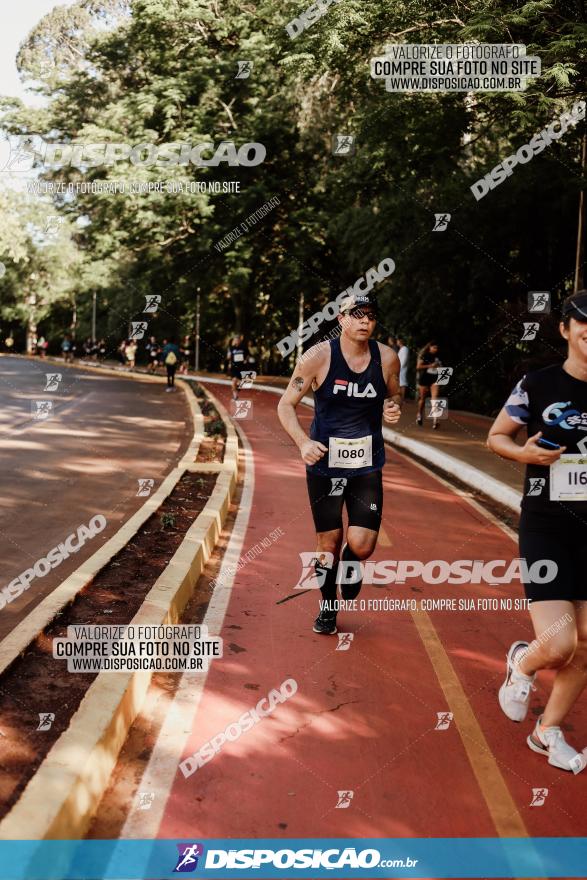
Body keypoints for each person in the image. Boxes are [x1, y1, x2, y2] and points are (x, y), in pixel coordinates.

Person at [487, 290, 587, 773]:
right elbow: (496, 437)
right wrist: (524, 455)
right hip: (548, 525)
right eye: (582, 322)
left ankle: (547, 731)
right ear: (565, 329)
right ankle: (523, 662)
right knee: (561, 642)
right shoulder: (538, 383)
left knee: (586, 646)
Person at [277, 292, 402, 635]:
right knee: (326, 543)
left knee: (362, 544)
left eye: (371, 315)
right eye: (357, 314)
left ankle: (353, 563)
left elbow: (395, 394)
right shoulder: (317, 357)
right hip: (324, 467)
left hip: (366, 465)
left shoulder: (387, 358)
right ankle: (328, 608)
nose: (365, 321)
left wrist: (393, 407)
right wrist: (303, 443)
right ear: (341, 318)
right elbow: (285, 404)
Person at [416, 341, 442, 429]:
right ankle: (419, 414)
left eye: (437, 348)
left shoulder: (439, 356)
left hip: (435, 379)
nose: (435, 349)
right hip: (425, 378)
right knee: (422, 399)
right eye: (434, 347)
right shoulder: (425, 355)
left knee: (435, 398)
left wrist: (439, 367)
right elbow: (418, 367)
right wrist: (430, 365)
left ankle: (435, 420)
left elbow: (442, 367)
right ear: (430, 347)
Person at [226, 335, 248, 400]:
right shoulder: (231, 348)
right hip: (234, 367)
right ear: (233, 341)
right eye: (235, 340)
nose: (236, 341)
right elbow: (228, 357)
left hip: (241, 367)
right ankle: (235, 396)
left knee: (239, 382)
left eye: (237, 340)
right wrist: (229, 356)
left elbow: (247, 355)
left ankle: (237, 388)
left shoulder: (243, 348)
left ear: (240, 341)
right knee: (234, 381)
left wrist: (245, 360)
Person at [396, 335, 410, 402]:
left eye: (398, 340)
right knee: (400, 383)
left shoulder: (405, 349)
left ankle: (403, 398)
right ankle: (401, 397)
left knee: (403, 383)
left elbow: (404, 360)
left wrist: (399, 367)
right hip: (399, 369)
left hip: (402, 369)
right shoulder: (401, 349)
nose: (397, 342)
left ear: (400, 341)